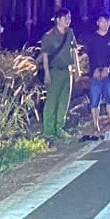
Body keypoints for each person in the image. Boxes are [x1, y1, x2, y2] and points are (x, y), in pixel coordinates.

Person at [40, 8, 81, 141]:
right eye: (65, 18)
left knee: (64, 101)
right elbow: (45, 56)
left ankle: (59, 128)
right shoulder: (48, 36)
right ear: (58, 20)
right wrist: (47, 73)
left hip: (67, 71)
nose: (68, 21)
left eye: (69, 18)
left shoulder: (70, 33)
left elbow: (74, 51)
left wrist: (77, 69)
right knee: (52, 101)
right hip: (54, 71)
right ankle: (48, 131)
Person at [84, 12, 110, 139]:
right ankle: (96, 126)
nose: (104, 24)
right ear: (97, 23)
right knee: (94, 101)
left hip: (109, 73)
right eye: (102, 21)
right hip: (95, 73)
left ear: (109, 23)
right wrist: (95, 70)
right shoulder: (92, 38)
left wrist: (106, 68)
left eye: (106, 21)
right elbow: (91, 55)